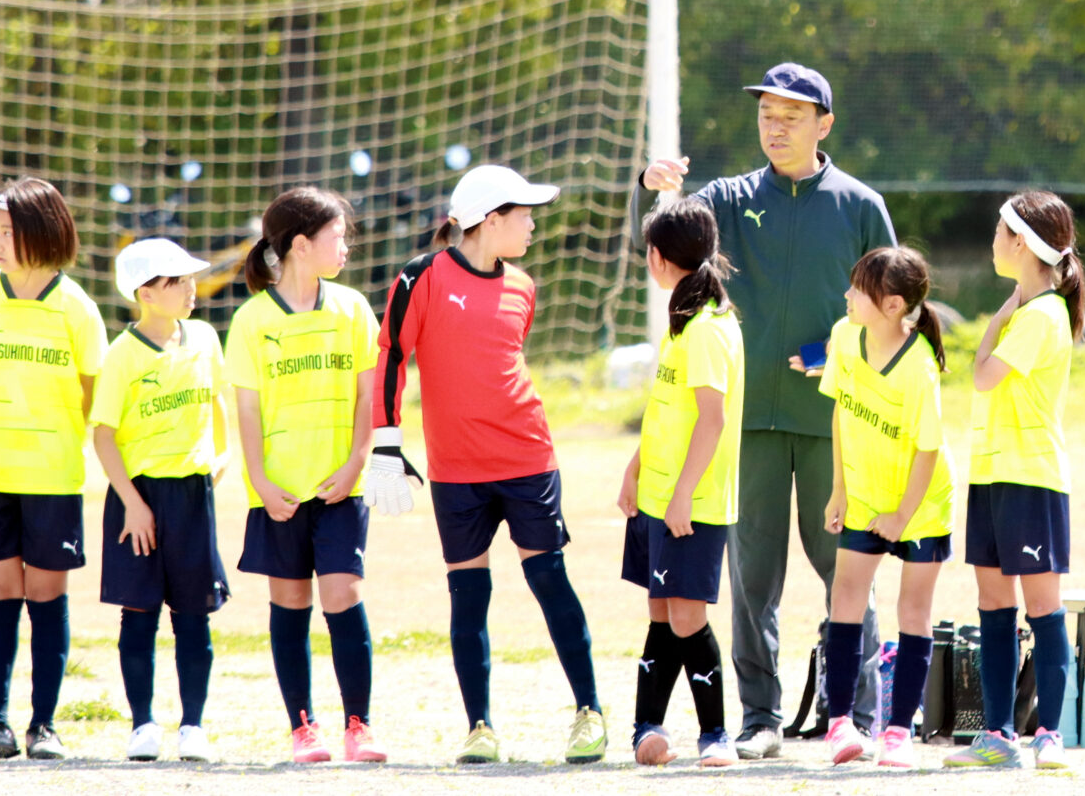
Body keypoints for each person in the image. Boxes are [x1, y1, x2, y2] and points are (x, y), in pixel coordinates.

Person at [636, 62, 895, 756]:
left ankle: (857, 713)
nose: (774, 127)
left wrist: (833, 353)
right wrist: (652, 185)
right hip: (744, 427)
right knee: (752, 578)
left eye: (790, 116)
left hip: (833, 421)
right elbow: (672, 231)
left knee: (845, 565)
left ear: (824, 124)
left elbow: (897, 308)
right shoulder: (728, 195)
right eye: (766, 115)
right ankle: (760, 718)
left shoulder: (860, 204)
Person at [364, 164, 607, 767]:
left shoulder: (524, 286)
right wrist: (387, 443)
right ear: (489, 220)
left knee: (550, 580)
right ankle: (479, 728)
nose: (531, 225)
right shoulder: (418, 278)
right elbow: (392, 355)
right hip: (456, 471)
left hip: (528, 458)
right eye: (522, 214)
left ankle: (589, 712)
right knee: (468, 596)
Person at [0, 177, 107, 762]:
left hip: (53, 475)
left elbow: (92, 391)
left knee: (46, 594)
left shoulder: (77, 307)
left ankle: (45, 725)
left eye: (9, 231)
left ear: (43, 231)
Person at [225, 185, 383, 765]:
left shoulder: (353, 309)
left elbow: (371, 395)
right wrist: (261, 483)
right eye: (337, 236)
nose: (345, 247)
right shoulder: (250, 320)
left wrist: (357, 461)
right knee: (290, 602)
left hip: (341, 485)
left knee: (343, 595)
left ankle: (359, 726)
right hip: (279, 491)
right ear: (299, 245)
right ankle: (302, 728)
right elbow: (245, 409)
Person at [945, 191, 1085, 771]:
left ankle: (1049, 734)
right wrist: (1006, 313)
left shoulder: (1043, 314)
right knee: (993, 606)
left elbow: (980, 377)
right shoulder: (1030, 311)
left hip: (1032, 478)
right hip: (992, 475)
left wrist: (1000, 318)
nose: (994, 242)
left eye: (1002, 233)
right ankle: (996, 734)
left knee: (1043, 609)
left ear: (1023, 244)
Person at [91, 237, 233, 764]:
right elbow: (103, 435)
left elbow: (217, 399)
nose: (191, 287)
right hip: (139, 499)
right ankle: (142, 724)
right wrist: (132, 501)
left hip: (193, 495)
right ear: (145, 293)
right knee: (139, 613)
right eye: (177, 281)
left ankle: (193, 725)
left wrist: (223, 456)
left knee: (194, 615)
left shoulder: (204, 337)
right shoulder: (122, 353)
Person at [618, 196, 746, 770]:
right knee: (662, 611)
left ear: (656, 256)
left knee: (688, 617)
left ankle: (716, 734)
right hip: (659, 493)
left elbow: (712, 421)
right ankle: (646, 728)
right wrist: (637, 468)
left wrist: (681, 494)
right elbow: (668, 411)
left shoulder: (710, 328)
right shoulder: (682, 319)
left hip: (689, 501)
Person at [817, 246, 954, 769]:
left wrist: (900, 516)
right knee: (846, 597)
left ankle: (898, 733)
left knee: (912, 611)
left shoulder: (920, 365)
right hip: (864, 493)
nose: (848, 295)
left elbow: (928, 448)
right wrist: (840, 489)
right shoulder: (843, 336)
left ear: (894, 305)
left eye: (859, 289)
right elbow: (841, 416)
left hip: (921, 504)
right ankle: (841, 725)